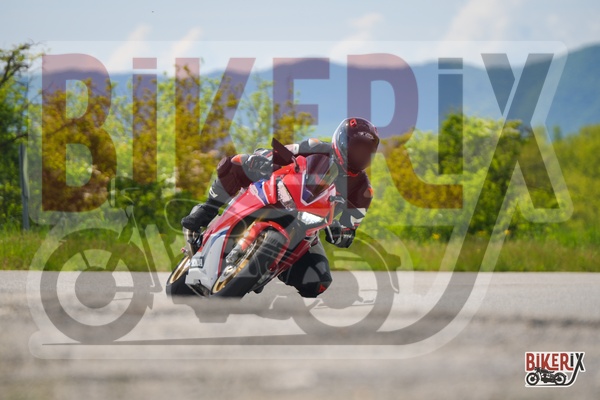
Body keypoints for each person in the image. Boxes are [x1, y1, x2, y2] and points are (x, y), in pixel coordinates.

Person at [181, 117, 380, 297]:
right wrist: (264, 158)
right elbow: (283, 151)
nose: (361, 154)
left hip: (308, 226)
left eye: (367, 150)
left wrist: (341, 232)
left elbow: (350, 227)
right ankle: (207, 210)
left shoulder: (364, 190)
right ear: (342, 141)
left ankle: (267, 267)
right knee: (239, 162)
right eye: (357, 147)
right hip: (282, 194)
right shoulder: (316, 146)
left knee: (318, 283)